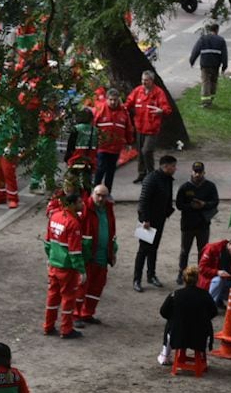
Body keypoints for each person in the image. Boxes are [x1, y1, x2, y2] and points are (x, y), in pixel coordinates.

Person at [42, 189, 86, 338]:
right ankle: (66, 329)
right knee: (68, 298)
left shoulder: (54, 216)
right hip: (67, 269)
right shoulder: (73, 223)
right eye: (80, 202)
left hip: (54, 264)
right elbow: (74, 251)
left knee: (52, 296)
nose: (83, 204)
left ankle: (48, 326)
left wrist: (51, 258)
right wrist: (81, 270)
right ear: (73, 204)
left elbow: (47, 242)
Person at [134, 153, 176, 292]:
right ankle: (137, 279)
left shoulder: (167, 179)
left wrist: (168, 211)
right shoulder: (151, 179)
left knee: (154, 248)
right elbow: (143, 201)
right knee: (143, 250)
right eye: (173, 166)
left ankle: (151, 275)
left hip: (160, 219)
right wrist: (145, 219)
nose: (175, 168)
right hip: (147, 221)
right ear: (166, 166)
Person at [159, 267, 218, 365]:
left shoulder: (174, 295)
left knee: (171, 322)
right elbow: (213, 312)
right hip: (200, 337)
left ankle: (165, 355)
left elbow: (163, 312)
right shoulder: (205, 295)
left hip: (178, 336)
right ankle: (202, 358)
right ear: (197, 280)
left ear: (184, 279)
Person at [174, 161, 218, 285]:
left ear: (204, 172)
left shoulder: (210, 186)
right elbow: (179, 205)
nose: (197, 174)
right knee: (184, 251)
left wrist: (204, 205)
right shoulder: (185, 187)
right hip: (187, 225)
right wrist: (191, 206)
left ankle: (201, 273)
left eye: (200, 172)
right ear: (191, 172)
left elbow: (215, 202)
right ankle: (181, 273)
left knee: (203, 251)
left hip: (203, 224)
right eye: (195, 172)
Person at [77, 182, 116, 328]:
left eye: (103, 196)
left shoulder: (108, 209)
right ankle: (76, 315)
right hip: (88, 256)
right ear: (93, 194)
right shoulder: (85, 208)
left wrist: (113, 251)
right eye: (98, 195)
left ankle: (87, 313)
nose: (100, 198)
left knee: (96, 287)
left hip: (102, 256)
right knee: (82, 287)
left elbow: (112, 231)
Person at [127, 70, 173, 181]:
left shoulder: (159, 92)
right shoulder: (138, 91)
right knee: (140, 153)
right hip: (139, 128)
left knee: (146, 151)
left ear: (152, 81)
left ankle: (151, 174)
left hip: (152, 129)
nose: (144, 82)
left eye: (146, 80)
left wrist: (161, 111)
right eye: (142, 80)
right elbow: (128, 103)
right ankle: (142, 173)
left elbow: (167, 109)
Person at [92, 89, 131, 190]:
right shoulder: (100, 110)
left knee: (111, 171)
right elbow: (93, 126)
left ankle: (107, 193)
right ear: (106, 99)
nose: (113, 102)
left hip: (115, 148)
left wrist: (129, 142)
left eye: (115, 100)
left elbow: (128, 128)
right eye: (111, 100)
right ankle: (96, 191)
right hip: (102, 147)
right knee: (101, 168)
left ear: (118, 100)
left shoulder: (123, 112)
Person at [187, 23, 227, 106]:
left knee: (206, 82)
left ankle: (206, 102)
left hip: (205, 64)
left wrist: (192, 61)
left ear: (210, 30)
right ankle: (211, 99)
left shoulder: (203, 38)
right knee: (213, 82)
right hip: (216, 65)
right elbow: (224, 55)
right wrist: (224, 66)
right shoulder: (221, 40)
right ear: (217, 30)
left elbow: (196, 50)